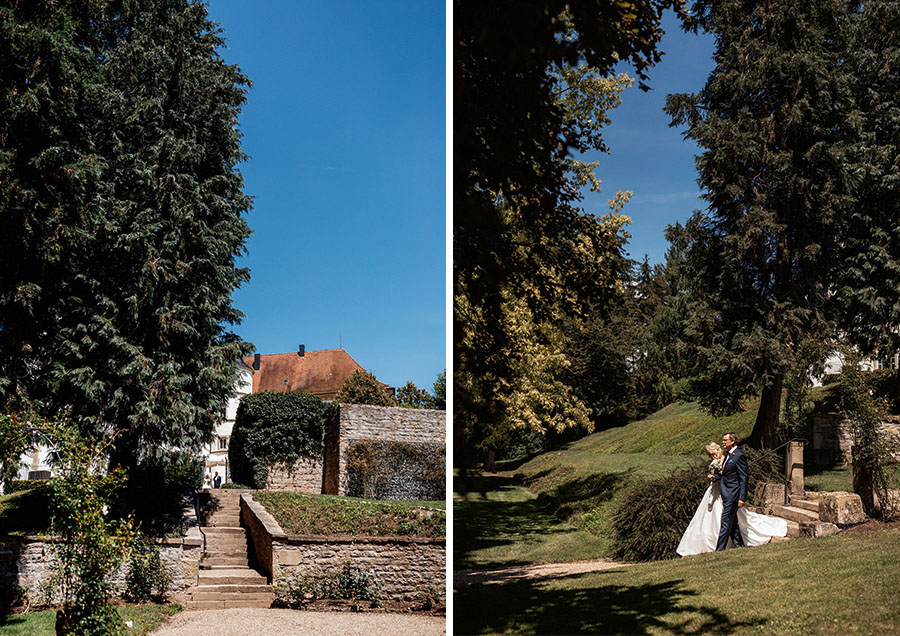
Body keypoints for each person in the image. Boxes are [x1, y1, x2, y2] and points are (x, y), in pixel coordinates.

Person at [676, 438, 787, 556]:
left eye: (725, 441)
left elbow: (741, 477)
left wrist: (741, 497)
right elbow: (724, 476)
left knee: (726, 519)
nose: (723, 443)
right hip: (718, 491)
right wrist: (713, 477)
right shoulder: (725, 458)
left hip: (729, 493)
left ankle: (721, 548)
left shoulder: (734, 457)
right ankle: (733, 543)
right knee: (722, 519)